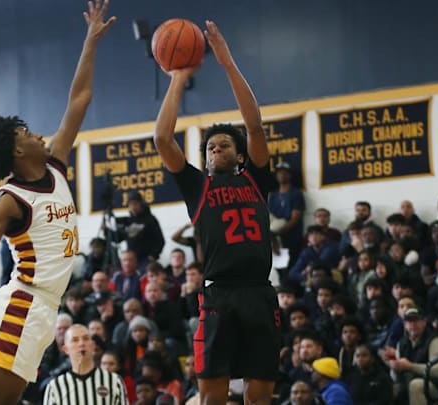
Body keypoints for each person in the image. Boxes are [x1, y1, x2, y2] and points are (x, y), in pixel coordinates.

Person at [0, 2, 116, 404]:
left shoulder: (55, 164)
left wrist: (90, 42)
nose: (36, 133)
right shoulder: (10, 200)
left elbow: (80, 99)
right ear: (16, 152)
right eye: (24, 132)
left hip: (41, 307)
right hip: (24, 301)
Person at [154, 20, 281, 405]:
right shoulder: (198, 187)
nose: (215, 149)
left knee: (258, 397)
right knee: (212, 398)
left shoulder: (256, 179)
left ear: (240, 156)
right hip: (218, 295)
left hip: (259, 293)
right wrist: (177, 77)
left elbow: (254, 126)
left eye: (223, 145)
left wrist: (227, 63)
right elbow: (162, 139)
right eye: (210, 147)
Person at [43, 324, 128, 405]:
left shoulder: (114, 381)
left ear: (93, 345)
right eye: (75, 340)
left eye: (86, 338)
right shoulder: (55, 386)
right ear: (66, 349)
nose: (81, 343)